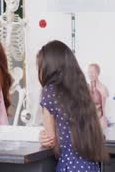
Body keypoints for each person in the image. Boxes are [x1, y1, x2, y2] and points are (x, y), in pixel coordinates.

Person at [38, 41, 108, 171]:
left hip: (69, 167)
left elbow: (50, 139)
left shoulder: (49, 91)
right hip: (91, 167)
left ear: (48, 67)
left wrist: (43, 136)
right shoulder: (83, 90)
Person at [87, 63, 109, 130]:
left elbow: (103, 109)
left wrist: (103, 121)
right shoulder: (87, 87)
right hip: (88, 119)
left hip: (98, 120)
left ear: (98, 73)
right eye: (89, 72)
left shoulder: (102, 88)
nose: (90, 74)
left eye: (93, 72)